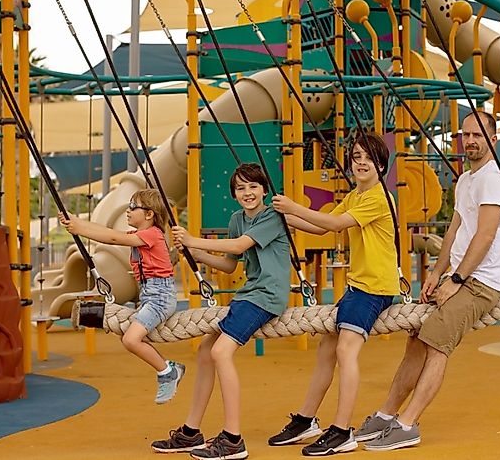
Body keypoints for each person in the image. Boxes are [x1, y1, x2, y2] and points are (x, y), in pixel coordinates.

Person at [356, 111, 500, 451]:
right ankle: (386, 414)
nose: (470, 141)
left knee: (436, 344)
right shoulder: (466, 180)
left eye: (477, 135)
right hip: (458, 277)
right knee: (415, 339)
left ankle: (408, 424)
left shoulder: (493, 180)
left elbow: (484, 236)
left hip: (480, 284)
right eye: (465, 135)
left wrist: (456, 279)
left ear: (492, 140)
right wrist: (436, 273)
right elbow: (456, 230)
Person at [267, 132, 399, 456]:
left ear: (381, 165)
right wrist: (289, 218)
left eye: (368, 157)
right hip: (358, 286)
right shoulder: (357, 194)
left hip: (375, 288)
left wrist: (295, 206)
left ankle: (342, 430)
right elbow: (323, 226)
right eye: (356, 156)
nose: (362, 162)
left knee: (345, 351)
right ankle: (306, 419)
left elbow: (338, 224)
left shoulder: (377, 196)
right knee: (327, 349)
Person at [151, 163, 290, 460]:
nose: (248, 192)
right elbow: (231, 263)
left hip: (267, 296)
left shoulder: (272, 217)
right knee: (205, 350)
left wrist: (192, 239)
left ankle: (233, 439)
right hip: (249, 294)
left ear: (265, 190)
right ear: (234, 194)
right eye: (240, 188)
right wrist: (195, 253)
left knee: (220, 352)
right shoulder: (237, 219)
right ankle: (191, 431)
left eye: (253, 186)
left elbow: (241, 245)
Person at [58, 189, 184, 405]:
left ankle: (167, 371)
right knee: (128, 334)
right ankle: (169, 368)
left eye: (132, 207)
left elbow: (112, 238)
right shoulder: (140, 236)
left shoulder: (152, 234)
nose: (128, 211)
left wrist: (80, 228)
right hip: (150, 296)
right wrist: (75, 222)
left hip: (160, 297)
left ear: (149, 214)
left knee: (131, 339)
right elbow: (107, 232)